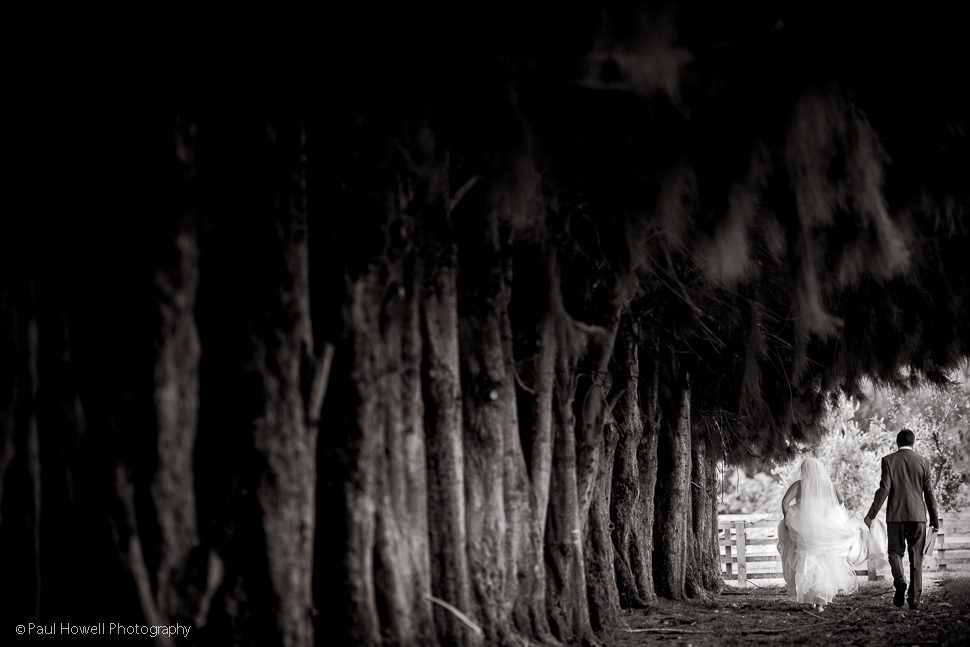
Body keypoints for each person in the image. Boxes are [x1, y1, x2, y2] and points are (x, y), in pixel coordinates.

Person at [777, 457, 887, 611]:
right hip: (825, 529)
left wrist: (790, 520)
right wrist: (828, 511)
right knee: (826, 563)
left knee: (808, 560)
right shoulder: (827, 485)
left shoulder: (798, 485)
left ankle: (809, 598)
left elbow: (785, 502)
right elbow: (841, 500)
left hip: (805, 530)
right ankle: (820, 601)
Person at [863, 428, 939, 610]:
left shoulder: (888, 460)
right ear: (913, 442)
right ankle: (914, 599)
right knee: (916, 557)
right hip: (918, 517)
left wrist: (871, 515)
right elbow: (929, 493)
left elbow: (884, 489)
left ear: (897, 443)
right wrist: (934, 519)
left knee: (894, 552)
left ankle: (900, 581)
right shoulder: (924, 462)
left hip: (895, 516)